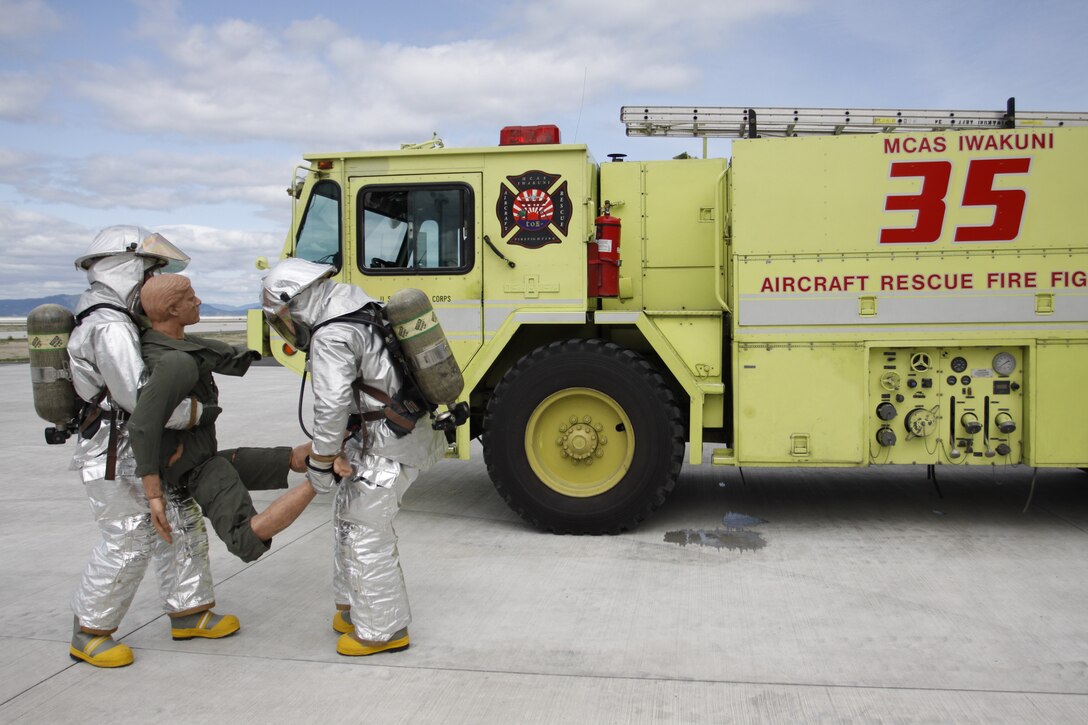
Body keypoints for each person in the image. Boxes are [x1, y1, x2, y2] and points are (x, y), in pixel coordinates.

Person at [67, 225, 237, 669]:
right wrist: (199, 413)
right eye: (151, 269)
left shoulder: (118, 319)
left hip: (141, 444)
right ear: (128, 267)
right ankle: (90, 631)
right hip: (115, 449)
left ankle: (190, 612)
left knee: (181, 520)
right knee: (130, 536)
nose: (153, 280)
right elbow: (141, 398)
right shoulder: (108, 324)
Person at [261, 258, 446, 657]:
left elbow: (329, 406)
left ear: (297, 300)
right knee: (348, 517)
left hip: (386, 443)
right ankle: (352, 606)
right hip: (387, 435)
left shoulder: (332, 334)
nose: (286, 324)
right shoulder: (364, 310)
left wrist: (321, 460)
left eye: (283, 314)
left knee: (365, 532)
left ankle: (384, 630)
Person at [128, 274, 317, 565]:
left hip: (206, 459)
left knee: (295, 458)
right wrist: (154, 495)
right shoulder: (174, 362)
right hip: (197, 469)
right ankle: (321, 480)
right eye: (191, 298)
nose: (198, 301)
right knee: (245, 537)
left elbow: (226, 356)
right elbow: (142, 425)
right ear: (173, 309)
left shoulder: (182, 344)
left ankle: (328, 456)